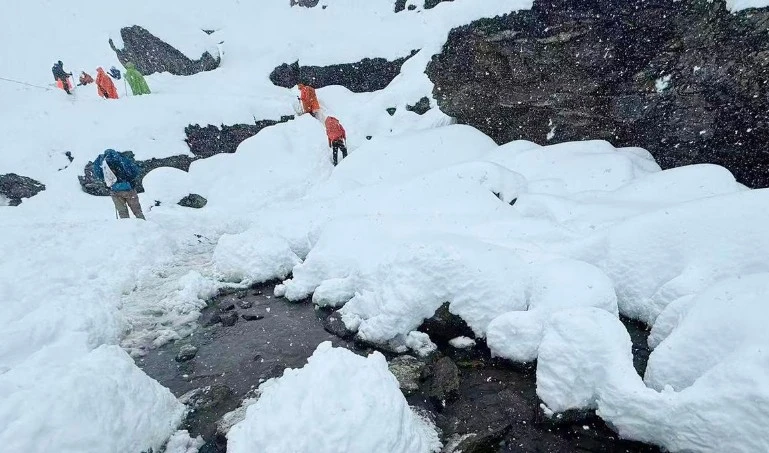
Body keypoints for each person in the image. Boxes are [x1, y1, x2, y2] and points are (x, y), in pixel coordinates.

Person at [92, 149, 145, 219]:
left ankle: (126, 228)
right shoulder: (122, 158)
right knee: (137, 211)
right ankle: (144, 226)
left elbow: (99, 174)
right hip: (129, 189)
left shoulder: (102, 161)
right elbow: (134, 171)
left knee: (123, 213)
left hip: (115, 191)